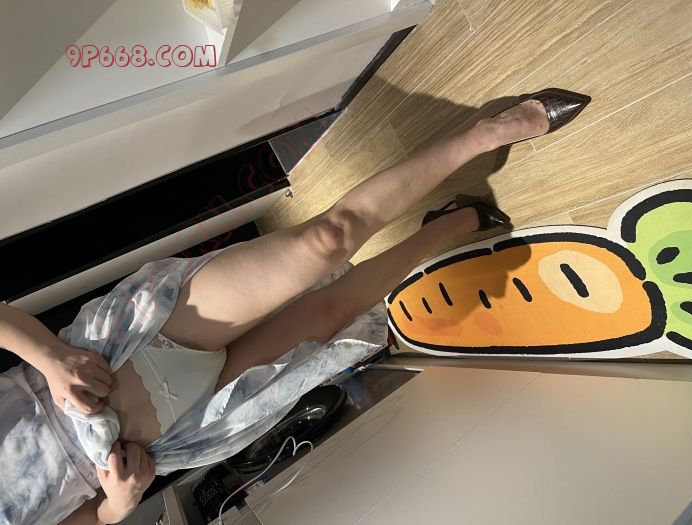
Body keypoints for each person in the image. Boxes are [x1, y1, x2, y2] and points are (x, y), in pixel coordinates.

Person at [0, 89, 589, 524]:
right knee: (328, 320)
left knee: (325, 241)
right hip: (175, 434)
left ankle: (490, 132)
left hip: (118, 346)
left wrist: (50, 358)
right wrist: (116, 508)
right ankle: (447, 224)